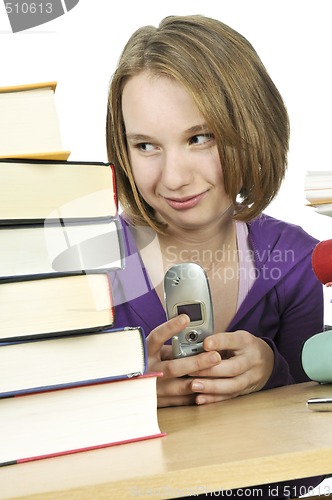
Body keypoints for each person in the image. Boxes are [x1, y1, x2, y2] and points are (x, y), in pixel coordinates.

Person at [106, 15, 324, 499]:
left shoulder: (294, 261)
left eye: (198, 138)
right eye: (146, 146)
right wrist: (123, 395)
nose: (175, 177)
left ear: (251, 129)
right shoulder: (87, 270)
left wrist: (273, 370)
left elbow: (310, 466)